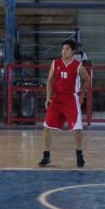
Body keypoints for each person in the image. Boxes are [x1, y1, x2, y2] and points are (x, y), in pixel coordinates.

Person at [40, 39, 90, 168]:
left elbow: (87, 79)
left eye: (67, 49)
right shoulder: (55, 63)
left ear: (73, 51)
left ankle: (79, 154)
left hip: (71, 99)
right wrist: (48, 97)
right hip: (56, 99)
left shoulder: (78, 65)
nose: (64, 51)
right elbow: (49, 80)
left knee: (77, 128)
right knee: (47, 126)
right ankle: (46, 155)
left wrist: (82, 94)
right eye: (63, 49)